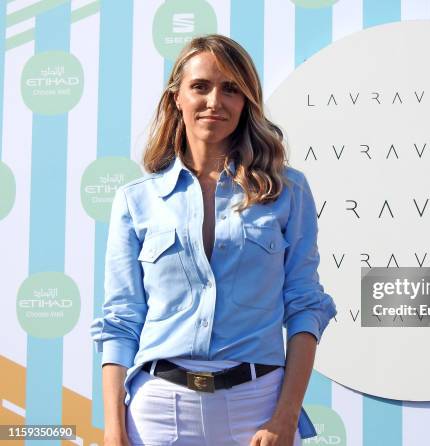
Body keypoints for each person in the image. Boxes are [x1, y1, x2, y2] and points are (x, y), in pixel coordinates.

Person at [90, 34, 337, 446]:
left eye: (231, 89)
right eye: (200, 86)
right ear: (177, 99)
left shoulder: (287, 192)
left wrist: (285, 415)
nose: (214, 101)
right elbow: (120, 320)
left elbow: (305, 305)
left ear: (247, 103)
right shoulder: (136, 201)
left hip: (256, 407)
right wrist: (114, 429)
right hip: (157, 411)